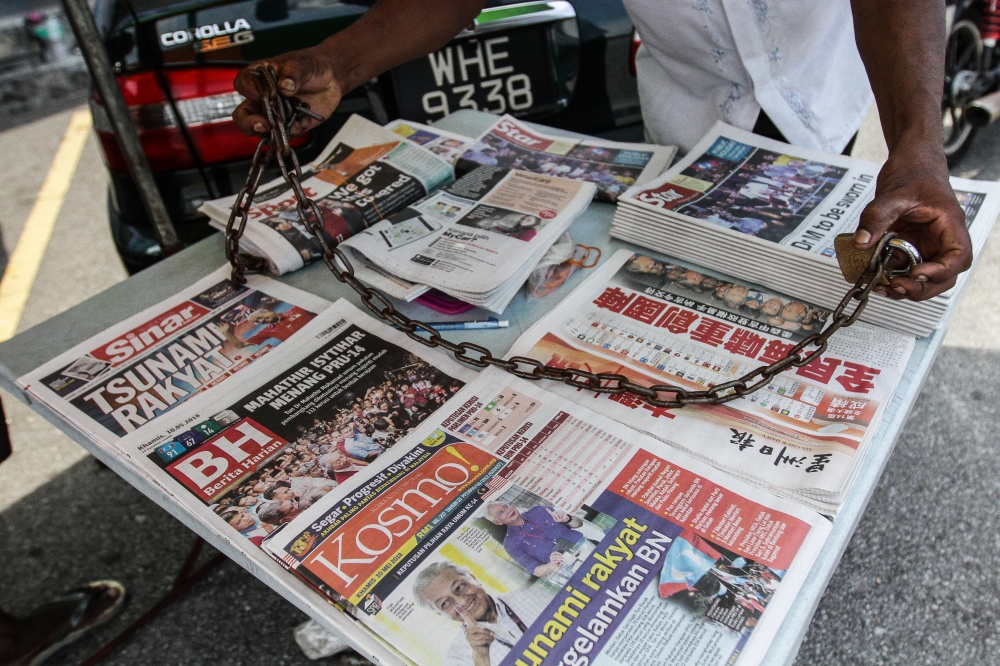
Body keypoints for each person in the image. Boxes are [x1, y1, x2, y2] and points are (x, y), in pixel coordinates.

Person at [232, 0, 971, 303]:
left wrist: (917, 145)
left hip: (819, 89)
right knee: (686, 281)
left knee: (811, 289)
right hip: (685, 105)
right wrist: (340, 59)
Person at [411, 562, 552, 666]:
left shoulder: (536, 594)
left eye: (459, 587)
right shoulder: (456, 659)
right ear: (441, 614)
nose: (461, 601)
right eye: (445, 604)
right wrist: (481, 658)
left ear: (473, 577)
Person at [486, 503, 585, 577]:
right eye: (501, 512)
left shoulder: (539, 510)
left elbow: (579, 524)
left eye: (506, 506)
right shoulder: (510, 545)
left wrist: (567, 519)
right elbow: (536, 570)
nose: (508, 510)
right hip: (567, 567)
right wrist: (551, 565)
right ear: (497, 522)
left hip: (585, 546)